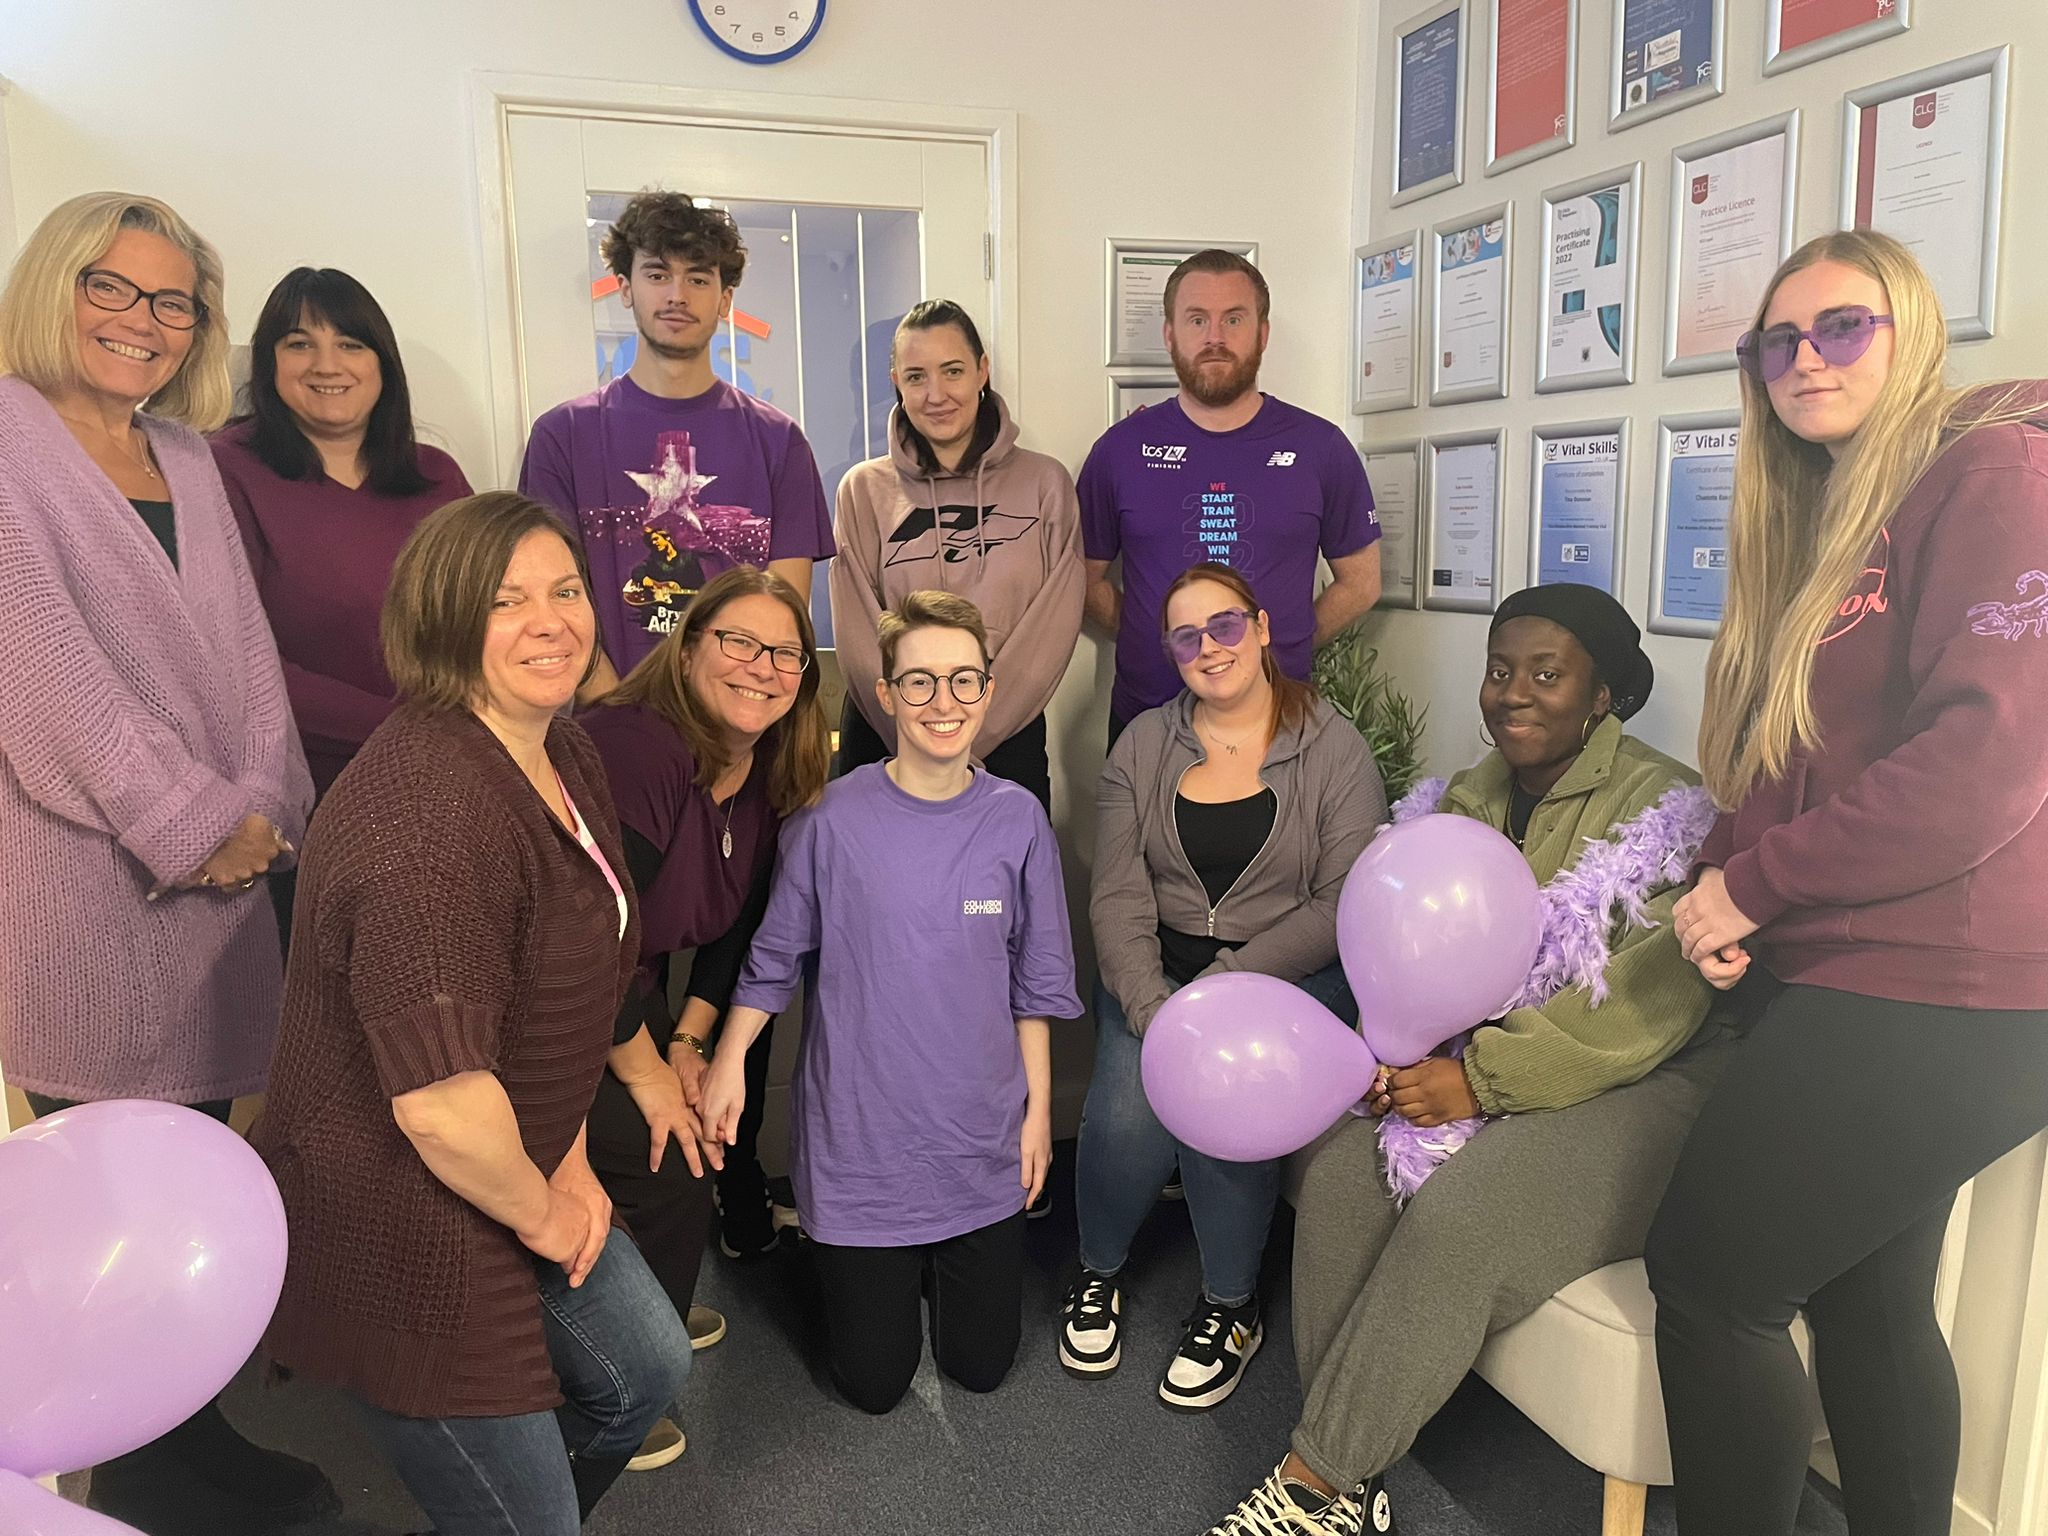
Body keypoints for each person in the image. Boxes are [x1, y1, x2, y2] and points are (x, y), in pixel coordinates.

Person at [1645, 231, 2048, 1536]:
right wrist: (1723, 886)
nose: (1804, 358)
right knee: (1866, 1300)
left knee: (1709, 1286)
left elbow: (1978, 770)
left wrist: (1757, 887)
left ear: (1913, 328)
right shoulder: (1830, 515)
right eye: (1778, 340)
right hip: (1858, 968)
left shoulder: (1994, 471)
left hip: (1955, 987)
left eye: (1842, 327)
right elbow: (1800, 756)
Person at [1201, 582, 1731, 1536]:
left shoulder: (1667, 811)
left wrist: (1477, 1080)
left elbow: (1646, 1012)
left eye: (1546, 673)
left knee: (1462, 1217)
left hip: (1646, 1083)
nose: (1513, 693)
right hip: (1494, 1064)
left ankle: (1312, 1482)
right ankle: (1350, 1476)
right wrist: (1392, 1057)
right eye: (1499, 671)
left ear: (1602, 694)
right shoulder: (1459, 803)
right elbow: (1417, 955)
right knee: (1339, 1175)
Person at [251, 492, 693, 1535]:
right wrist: (546, 1214)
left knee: (645, 1369)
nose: (551, 620)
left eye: (566, 590)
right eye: (505, 601)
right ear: (442, 621)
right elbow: (440, 1113)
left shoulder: (561, 752)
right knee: (528, 1518)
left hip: (516, 1155)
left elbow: (567, 994)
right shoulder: (426, 816)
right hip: (399, 1210)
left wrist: (571, 1154)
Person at [0, 191, 323, 1535]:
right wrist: (196, 824)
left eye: (171, 299)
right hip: (84, 881)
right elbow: (46, 681)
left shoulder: (188, 456)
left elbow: (247, 658)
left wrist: (263, 806)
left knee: (192, 1151)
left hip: (226, 881)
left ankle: (184, 1428)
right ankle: (128, 1453)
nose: (142, 321)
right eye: (111, 289)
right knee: (108, 1192)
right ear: (53, 287)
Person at [702, 591, 1082, 1414]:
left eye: (962, 681)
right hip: (859, 1148)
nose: (943, 703)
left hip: (978, 1140)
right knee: (873, 1385)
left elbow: (1038, 986)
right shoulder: (827, 820)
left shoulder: (1018, 823)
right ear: (886, 695)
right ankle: (878, 1274)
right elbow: (772, 959)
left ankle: (933, 1267)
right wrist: (728, 1058)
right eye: (919, 683)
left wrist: (1037, 1117)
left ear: (988, 689)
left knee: (981, 1368)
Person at [1065, 563, 1382, 1416]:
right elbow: (1119, 892)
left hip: (1282, 980)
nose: (1209, 647)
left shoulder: (1334, 746)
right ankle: (1097, 1271)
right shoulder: (1143, 743)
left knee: (1221, 1110)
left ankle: (1231, 1307)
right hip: (1158, 977)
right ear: (1169, 651)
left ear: (1265, 627)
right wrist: (1152, 1004)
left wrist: (1228, 988)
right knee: (1125, 1110)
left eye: (1226, 626)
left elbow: (1340, 899)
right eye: (1186, 635)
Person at [577, 565, 831, 1464]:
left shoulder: (764, 772)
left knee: (690, 1142)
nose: (762, 668)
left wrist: (689, 1040)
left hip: (629, 994)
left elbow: (734, 932)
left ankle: (642, 1306)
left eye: (786, 655)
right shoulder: (636, 747)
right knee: (673, 1157)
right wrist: (652, 1071)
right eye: (738, 642)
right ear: (687, 650)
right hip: (547, 1001)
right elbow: (583, 939)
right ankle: (615, 1378)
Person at [520, 190, 835, 695]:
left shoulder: (780, 442)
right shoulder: (562, 437)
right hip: (610, 734)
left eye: (698, 277)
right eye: (658, 273)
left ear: (725, 298)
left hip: (742, 733)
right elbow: (550, 605)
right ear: (624, 287)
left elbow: (783, 618)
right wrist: (624, 727)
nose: (677, 295)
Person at [1079, 250, 1383, 746]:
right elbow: (1080, 578)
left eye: (1233, 319)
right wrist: (1149, 636)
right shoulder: (1119, 450)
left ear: (1262, 334)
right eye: (1197, 319)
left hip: (1277, 724)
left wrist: (1284, 643)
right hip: (1147, 723)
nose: (1215, 337)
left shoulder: (1320, 448)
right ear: (1170, 334)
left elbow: (1362, 584)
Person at [213, 267, 473, 803]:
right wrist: (413, 730)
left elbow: (489, 618)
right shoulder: (222, 470)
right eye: (299, 344)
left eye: (350, 344)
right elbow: (235, 661)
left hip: (451, 774)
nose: (326, 365)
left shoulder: (438, 476)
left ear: (383, 364)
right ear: (269, 362)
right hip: (305, 788)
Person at [830, 298, 1083, 810]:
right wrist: (919, 729)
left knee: (1003, 887)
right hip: (886, 737)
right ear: (896, 380)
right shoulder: (863, 489)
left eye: (953, 371)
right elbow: (858, 636)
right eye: (917, 376)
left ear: (982, 371)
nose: (936, 394)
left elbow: (1052, 628)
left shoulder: (1044, 483)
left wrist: (968, 729)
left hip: (1006, 735)